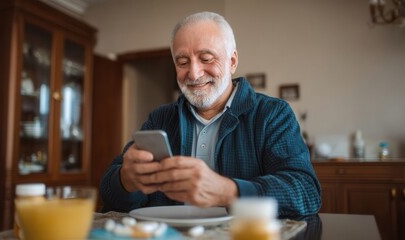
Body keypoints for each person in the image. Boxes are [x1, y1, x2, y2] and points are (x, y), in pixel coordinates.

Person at [100, 11, 321, 217]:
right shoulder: (160, 119)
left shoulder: (272, 114)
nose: (194, 73)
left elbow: (306, 191)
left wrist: (229, 191)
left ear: (232, 61)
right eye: (183, 62)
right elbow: (108, 195)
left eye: (206, 59)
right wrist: (125, 180)